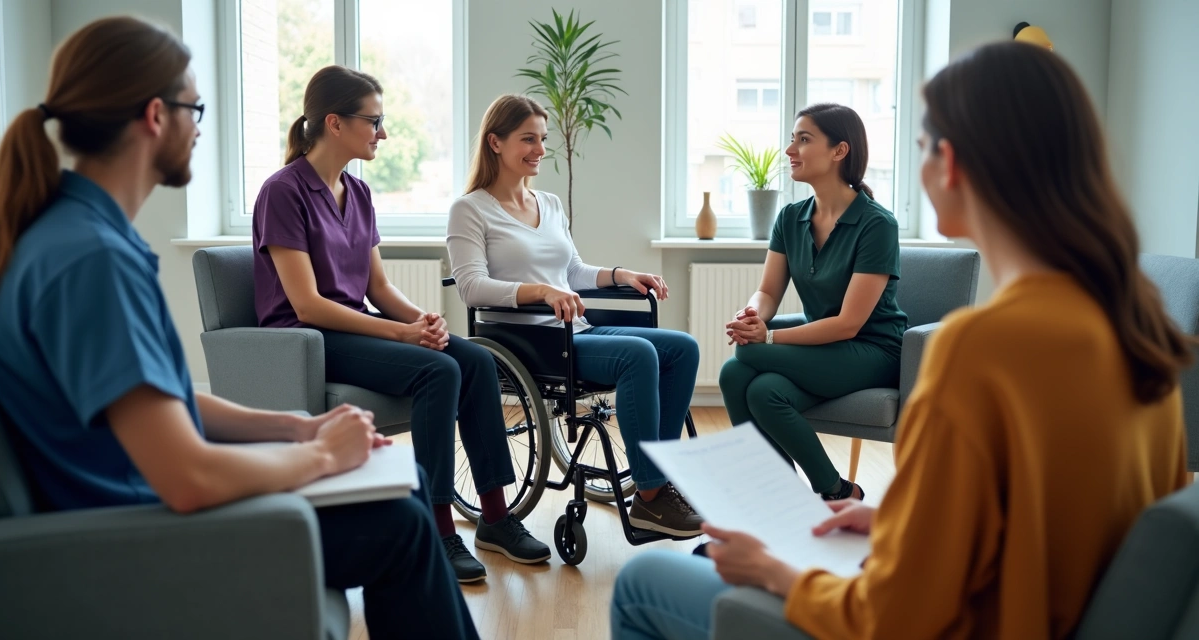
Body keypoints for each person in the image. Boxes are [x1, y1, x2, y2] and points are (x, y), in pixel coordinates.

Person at [611, 41, 1190, 640]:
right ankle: (807, 497)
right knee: (754, 380)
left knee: (643, 580)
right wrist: (893, 521)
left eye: (921, 148)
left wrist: (776, 573)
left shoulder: (982, 350)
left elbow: (894, 616)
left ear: (953, 164)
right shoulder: (1135, 328)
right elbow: (1046, 517)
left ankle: (793, 510)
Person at [0, 18, 478, 640]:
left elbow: (162, 400)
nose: (199, 126)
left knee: (402, 491)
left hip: (135, 501)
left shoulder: (72, 233)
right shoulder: (91, 259)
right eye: (197, 108)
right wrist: (321, 456)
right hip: (130, 535)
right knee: (399, 524)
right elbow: (188, 477)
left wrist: (298, 427)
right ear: (155, 115)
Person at [252, 67, 551, 584]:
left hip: (351, 326)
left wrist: (425, 321)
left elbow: (379, 290)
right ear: (334, 123)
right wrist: (401, 335)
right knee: (438, 372)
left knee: (474, 358)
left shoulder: (359, 193)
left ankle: (495, 518)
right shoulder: (283, 192)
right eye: (374, 121)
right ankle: (436, 527)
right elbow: (306, 304)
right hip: (307, 339)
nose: (383, 133)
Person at [447, 94, 703, 536]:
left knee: (681, 348)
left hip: (574, 329)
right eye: (528, 139)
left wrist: (624, 273)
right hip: (530, 343)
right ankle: (650, 496)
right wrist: (540, 291)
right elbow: (472, 287)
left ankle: (659, 477)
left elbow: (572, 272)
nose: (540, 149)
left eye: (543, 139)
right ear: (495, 142)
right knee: (638, 355)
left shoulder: (548, 203)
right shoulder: (470, 209)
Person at [719, 103, 906, 502]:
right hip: (824, 349)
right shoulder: (790, 217)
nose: (790, 149)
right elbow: (768, 291)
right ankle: (801, 493)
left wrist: (766, 339)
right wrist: (752, 315)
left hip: (872, 350)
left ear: (840, 151)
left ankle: (817, 493)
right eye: (792, 138)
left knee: (748, 358)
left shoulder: (877, 224)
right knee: (745, 383)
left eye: (803, 139)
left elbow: (848, 325)